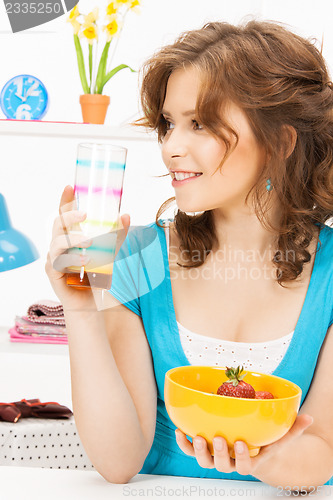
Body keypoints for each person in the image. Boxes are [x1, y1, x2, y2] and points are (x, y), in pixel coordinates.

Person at [46, 19, 333, 489]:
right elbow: (118, 462)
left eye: (199, 124)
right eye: (168, 124)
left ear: (280, 141)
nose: (171, 148)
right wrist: (81, 310)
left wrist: (256, 459)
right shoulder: (135, 257)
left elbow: (321, 453)